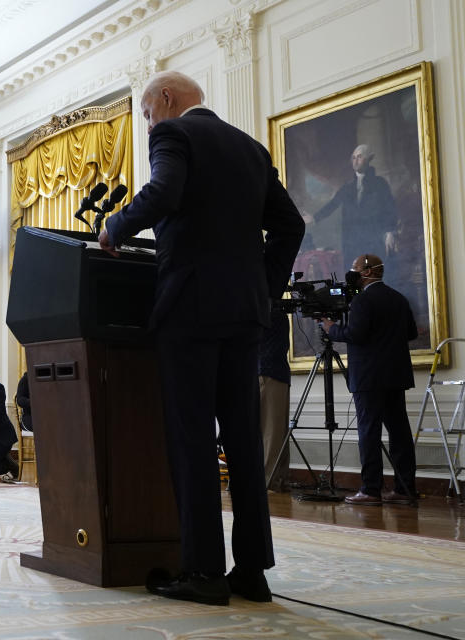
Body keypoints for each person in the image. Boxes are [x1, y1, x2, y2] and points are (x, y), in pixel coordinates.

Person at [98, 70, 305, 606]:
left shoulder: (174, 135)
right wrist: (262, 288)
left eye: (145, 114)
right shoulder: (252, 150)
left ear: (165, 100)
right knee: (240, 441)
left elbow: (164, 193)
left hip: (189, 309)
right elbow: (291, 227)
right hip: (243, 316)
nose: (148, 125)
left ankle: (204, 572)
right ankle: (252, 572)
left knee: (190, 439)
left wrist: (115, 227)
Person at [321, 254, 418, 505]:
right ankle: (404, 489)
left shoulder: (363, 300)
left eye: (354, 270)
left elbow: (356, 334)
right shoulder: (398, 298)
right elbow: (411, 333)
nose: (351, 273)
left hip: (368, 378)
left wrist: (332, 329)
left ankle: (370, 490)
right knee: (399, 433)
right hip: (396, 375)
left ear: (366, 273)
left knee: (369, 432)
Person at [303, 144, 397, 274]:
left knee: (373, 274)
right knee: (354, 277)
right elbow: (333, 204)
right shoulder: (348, 187)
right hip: (351, 241)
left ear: (369, 159)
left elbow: (390, 208)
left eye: (359, 157)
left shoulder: (380, 184)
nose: (356, 161)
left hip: (373, 239)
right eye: (353, 158)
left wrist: (390, 232)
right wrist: (314, 217)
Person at [259, 306, 291, 492]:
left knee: (272, 431)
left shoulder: (267, 311)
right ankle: (274, 479)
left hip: (268, 373)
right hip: (272, 373)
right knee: (274, 431)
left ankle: (270, 481)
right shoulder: (274, 312)